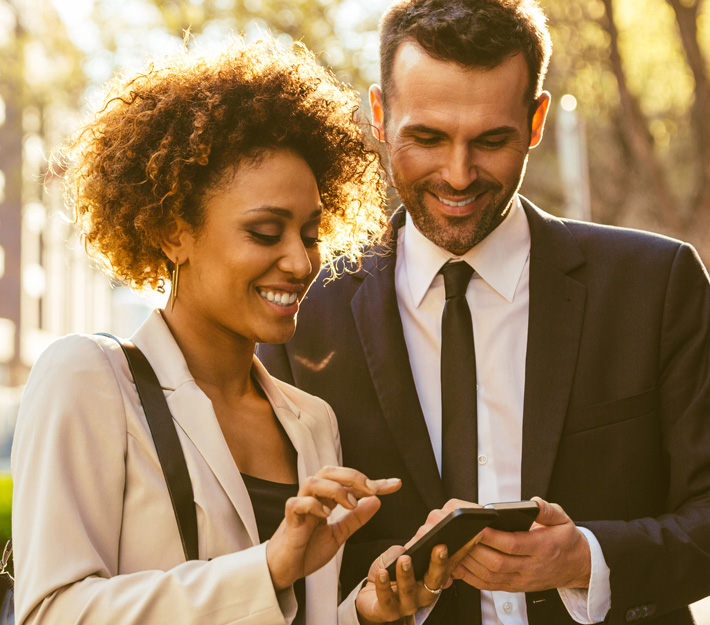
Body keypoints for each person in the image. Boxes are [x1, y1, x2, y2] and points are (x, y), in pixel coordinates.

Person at [257, 1, 710, 624]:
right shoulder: (304, 307)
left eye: (491, 140)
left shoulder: (656, 285)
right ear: (381, 116)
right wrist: (361, 610)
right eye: (428, 137)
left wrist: (586, 559)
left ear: (536, 119)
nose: (458, 174)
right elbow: (270, 555)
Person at [10, 40, 452, 625]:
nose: (300, 262)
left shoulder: (311, 421)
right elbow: (53, 613)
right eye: (267, 233)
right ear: (173, 232)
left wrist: (365, 614)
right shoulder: (88, 379)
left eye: (311, 233)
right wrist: (267, 568)